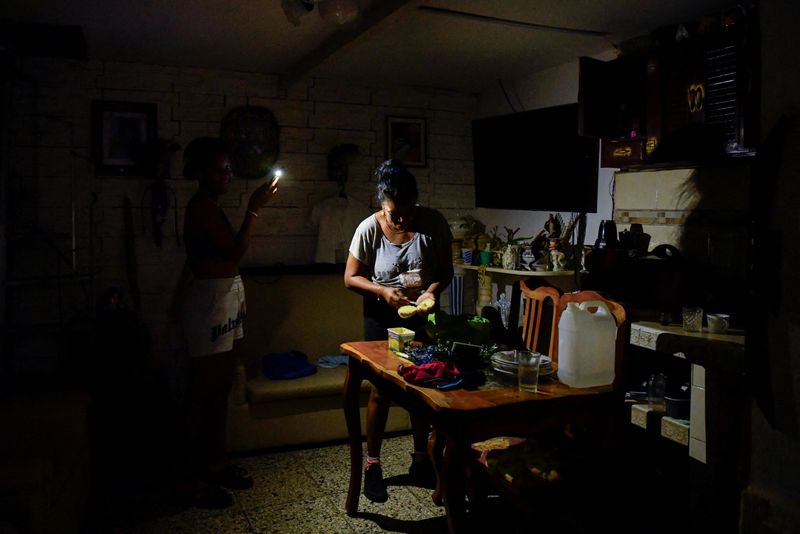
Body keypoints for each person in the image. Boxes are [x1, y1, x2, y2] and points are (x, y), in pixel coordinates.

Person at [344, 159, 454, 502]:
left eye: (407, 211)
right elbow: (350, 277)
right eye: (395, 213)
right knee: (381, 391)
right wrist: (382, 291)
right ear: (382, 203)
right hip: (381, 317)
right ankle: (372, 465)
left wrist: (431, 292)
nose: (402, 219)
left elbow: (445, 270)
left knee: (422, 388)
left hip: (420, 317)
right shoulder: (369, 228)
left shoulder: (433, 222)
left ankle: (421, 458)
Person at [178, 136, 278, 508]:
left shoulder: (210, 207)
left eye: (229, 170)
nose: (227, 177)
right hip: (210, 302)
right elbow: (234, 250)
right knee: (203, 388)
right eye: (221, 170)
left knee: (220, 387)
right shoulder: (200, 207)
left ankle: (215, 463)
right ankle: (189, 477)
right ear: (202, 173)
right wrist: (254, 208)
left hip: (225, 296)